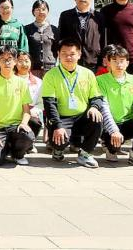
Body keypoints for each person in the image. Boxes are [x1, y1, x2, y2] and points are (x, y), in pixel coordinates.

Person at [42, 38, 106, 168]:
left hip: (81, 116)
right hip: (62, 118)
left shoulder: (88, 74)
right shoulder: (50, 75)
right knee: (60, 141)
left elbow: (97, 97)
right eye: (64, 54)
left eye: (72, 54)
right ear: (58, 54)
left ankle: (85, 153)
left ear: (79, 54)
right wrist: (58, 125)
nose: (68, 57)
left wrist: (94, 107)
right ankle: (58, 149)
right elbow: (49, 104)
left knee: (97, 119)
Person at [96, 45, 133, 167]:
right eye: (114, 61)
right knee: (113, 147)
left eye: (122, 61)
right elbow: (104, 108)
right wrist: (114, 130)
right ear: (108, 63)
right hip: (109, 125)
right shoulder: (100, 80)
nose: (119, 64)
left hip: (127, 122)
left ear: (127, 63)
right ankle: (110, 149)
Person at [0, 46, 34, 166]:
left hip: (16, 126)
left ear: (15, 61)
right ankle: (5, 149)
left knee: (28, 136)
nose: (7, 62)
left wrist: (23, 123)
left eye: (10, 58)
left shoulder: (22, 83)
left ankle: (17, 154)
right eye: (3, 59)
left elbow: (26, 110)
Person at [57, 0, 104, 71]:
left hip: (93, 62)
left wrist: (102, 61)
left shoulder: (99, 16)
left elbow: (103, 40)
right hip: (71, 61)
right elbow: (61, 38)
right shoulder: (66, 16)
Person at [24, 0, 59, 77]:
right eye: (38, 9)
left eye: (43, 9)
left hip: (50, 69)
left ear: (47, 11)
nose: (41, 12)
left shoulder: (54, 29)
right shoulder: (26, 29)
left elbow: (57, 49)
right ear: (33, 12)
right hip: (33, 69)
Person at [15, 51, 44, 137]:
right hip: (13, 113)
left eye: (26, 61)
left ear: (31, 63)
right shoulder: (9, 80)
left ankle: (30, 141)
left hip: (31, 113)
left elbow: (41, 103)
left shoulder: (39, 82)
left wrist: (31, 112)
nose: (24, 64)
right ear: (15, 63)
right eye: (20, 61)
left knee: (34, 122)